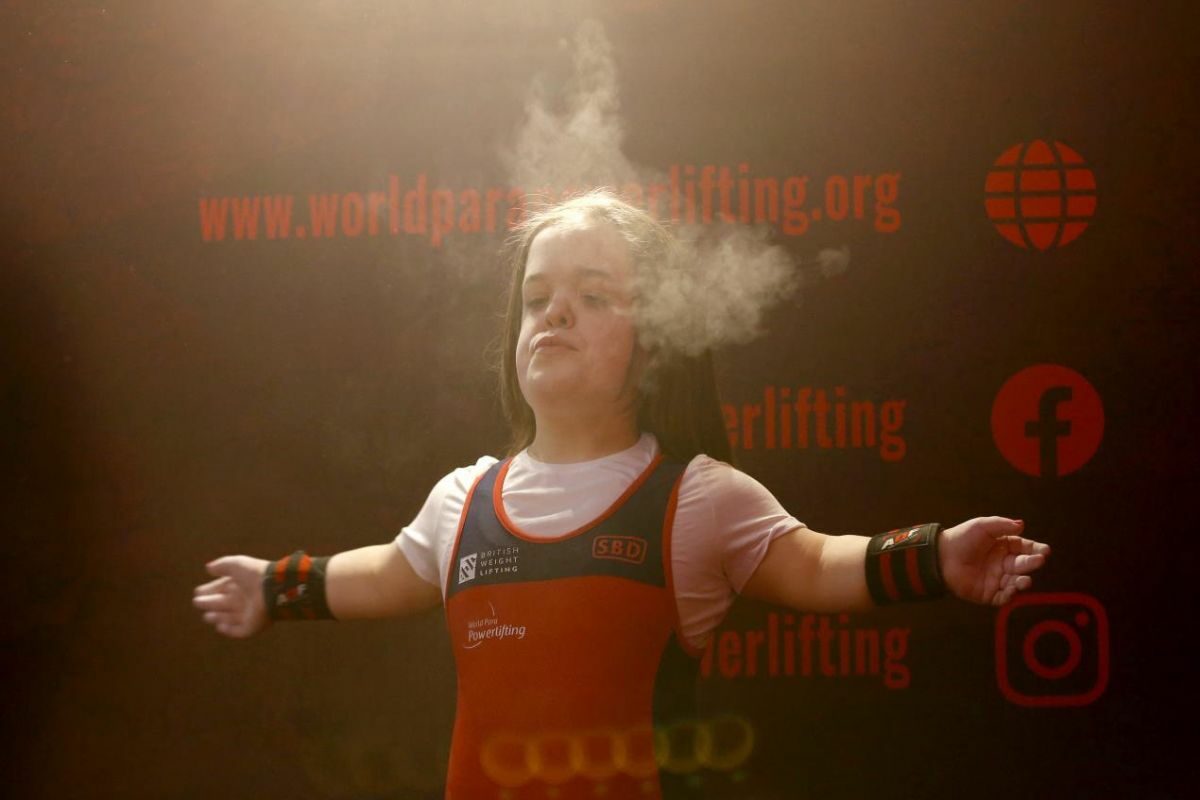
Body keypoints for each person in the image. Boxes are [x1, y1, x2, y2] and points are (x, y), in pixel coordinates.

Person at [193, 190, 1050, 800]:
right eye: (537, 299)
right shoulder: (461, 500)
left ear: (654, 344)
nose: (554, 314)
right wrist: (274, 585)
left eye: (593, 296)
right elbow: (384, 574)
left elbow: (820, 564)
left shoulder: (698, 501)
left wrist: (935, 556)